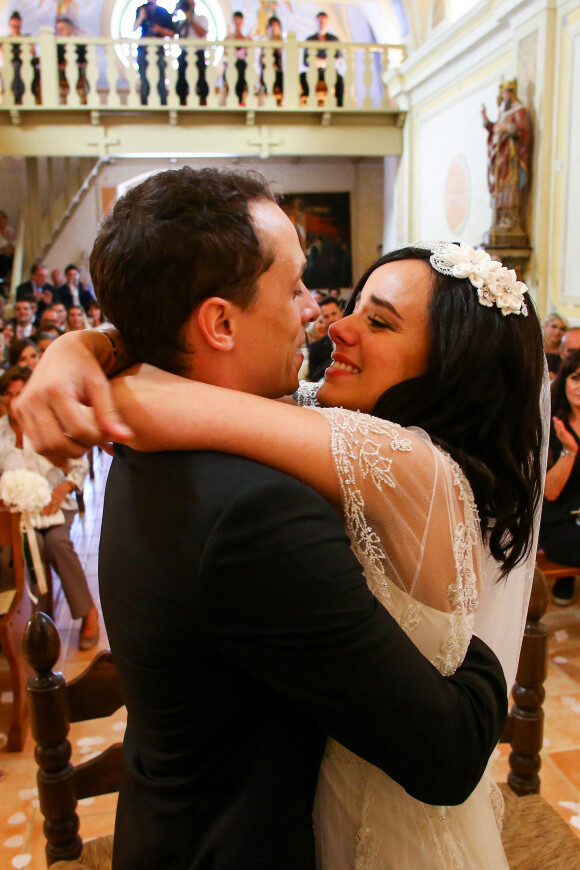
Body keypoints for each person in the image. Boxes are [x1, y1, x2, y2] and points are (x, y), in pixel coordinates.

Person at [14, 168, 509, 869]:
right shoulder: (254, 510)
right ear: (219, 321)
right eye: (297, 285)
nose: (320, 312)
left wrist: (89, 347)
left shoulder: (163, 425)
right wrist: (481, 632)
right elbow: (447, 755)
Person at [0, 367, 99, 649]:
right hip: (18, 512)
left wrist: (62, 489)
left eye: (20, 393)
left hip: (56, 502)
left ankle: (87, 613)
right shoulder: (1, 434)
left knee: (56, 542)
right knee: (23, 547)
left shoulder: (47, 421)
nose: (14, 399)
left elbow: (79, 464)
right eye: (8, 393)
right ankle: (36, 626)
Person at [541, 349, 580, 606]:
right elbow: (550, 493)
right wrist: (569, 451)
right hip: (560, 520)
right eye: (576, 378)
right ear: (564, 380)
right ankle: (565, 582)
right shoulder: (553, 425)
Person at [481, 78, 531, 238]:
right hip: (501, 155)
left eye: (504, 95)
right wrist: (487, 121)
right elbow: (494, 129)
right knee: (500, 186)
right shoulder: (504, 113)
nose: (503, 98)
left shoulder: (519, 110)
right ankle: (501, 219)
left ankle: (510, 220)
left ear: (510, 93)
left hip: (511, 157)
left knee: (509, 186)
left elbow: (522, 130)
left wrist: (507, 128)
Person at [134, 0, 177, 106]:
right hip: (144, 50)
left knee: (160, 79)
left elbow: (172, 33)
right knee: (144, 79)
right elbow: (134, 28)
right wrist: (141, 17)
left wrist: (159, 29)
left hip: (158, 50)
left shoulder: (163, 12)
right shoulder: (141, 9)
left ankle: (162, 103)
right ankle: (144, 103)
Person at [300, 11, 344, 108]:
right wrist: (314, 62)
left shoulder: (334, 39)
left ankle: (339, 105)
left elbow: (340, 59)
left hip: (329, 71)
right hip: (314, 71)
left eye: (324, 22)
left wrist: (325, 63)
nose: (322, 24)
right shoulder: (310, 39)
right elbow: (305, 61)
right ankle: (309, 99)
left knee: (339, 79)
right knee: (302, 77)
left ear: (327, 23)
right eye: (320, 21)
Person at [174, 0, 209, 106]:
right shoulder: (181, 22)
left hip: (198, 52)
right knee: (181, 77)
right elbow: (177, 35)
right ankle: (182, 99)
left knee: (201, 77)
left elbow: (202, 33)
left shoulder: (201, 18)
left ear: (194, 5)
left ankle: (203, 99)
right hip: (185, 52)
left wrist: (191, 20)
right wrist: (175, 11)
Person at [307, 294, 342, 380]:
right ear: (322, 319)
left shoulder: (356, 339)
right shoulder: (316, 348)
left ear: (341, 312)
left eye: (334, 313)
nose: (331, 319)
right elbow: (314, 379)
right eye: (326, 316)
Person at [543, 312, 568, 376]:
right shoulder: (535, 349)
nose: (557, 332)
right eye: (554, 327)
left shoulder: (566, 353)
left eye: (562, 329)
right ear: (545, 327)